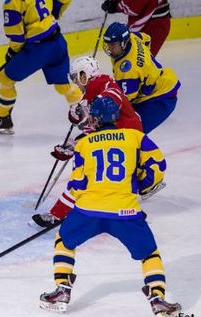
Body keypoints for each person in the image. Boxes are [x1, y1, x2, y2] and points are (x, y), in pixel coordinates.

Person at [38, 96, 181, 317]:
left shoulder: (85, 143)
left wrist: (68, 211)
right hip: (125, 212)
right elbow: (158, 164)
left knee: (64, 242)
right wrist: (145, 184)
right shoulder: (135, 137)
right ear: (115, 117)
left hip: (88, 211)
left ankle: (61, 289)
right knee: (149, 253)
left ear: (94, 119)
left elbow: (77, 184)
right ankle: (158, 299)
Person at [32, 55, 154, 228]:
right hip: (123, 139)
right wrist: (72, 144)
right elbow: (94, 127)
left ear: (84, 75)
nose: (75, 82)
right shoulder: (91, 92)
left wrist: (85, 116)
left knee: (85, 177)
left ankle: (57, 214)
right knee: (119, 179)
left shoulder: (103, 85)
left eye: (76, 77)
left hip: (124, 138)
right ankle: (133, 213)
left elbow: (111, 99)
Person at [0, 0, 82, 134]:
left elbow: (17, 37)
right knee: (63, 85)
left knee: (6, 79)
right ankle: (88, 115)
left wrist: (12, 52)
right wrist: (52, 16)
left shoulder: (12, 3)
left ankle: (4, 119)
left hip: (39, 50)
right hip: (58, 42)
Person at [103, 21, 180, 134]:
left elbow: (124, 102)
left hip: (160, 99)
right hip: (161, 84)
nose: (109, 48)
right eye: (108, 43)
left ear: (123, 43)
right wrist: (145, 66)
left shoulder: (128, 71)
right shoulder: (134, 37)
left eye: (113, 44)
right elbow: (147, 39)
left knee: (132, 132)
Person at [101, 0, 171, 57]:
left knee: (141, 61)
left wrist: (116, 6)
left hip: (154, 25)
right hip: (151, 21)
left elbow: (134, 8)